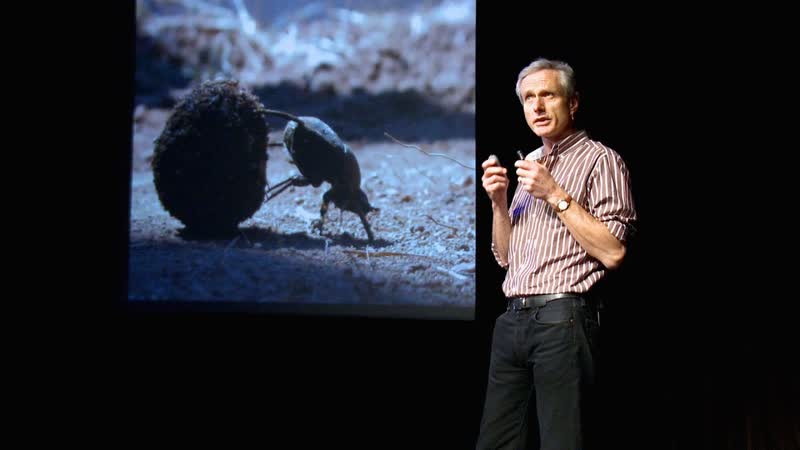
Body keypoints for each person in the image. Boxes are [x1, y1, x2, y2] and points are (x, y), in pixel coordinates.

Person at [477, 58, 638, 449]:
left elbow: (614, 252)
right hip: (513, 320)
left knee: (562, 441)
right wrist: (499, 203)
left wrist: (554, 193)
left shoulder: (601, 160)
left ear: (573, 102)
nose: (537, 106)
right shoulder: (531, 163)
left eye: (547, 94)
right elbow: (505, 257)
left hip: (562, 319)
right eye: (528, 98)